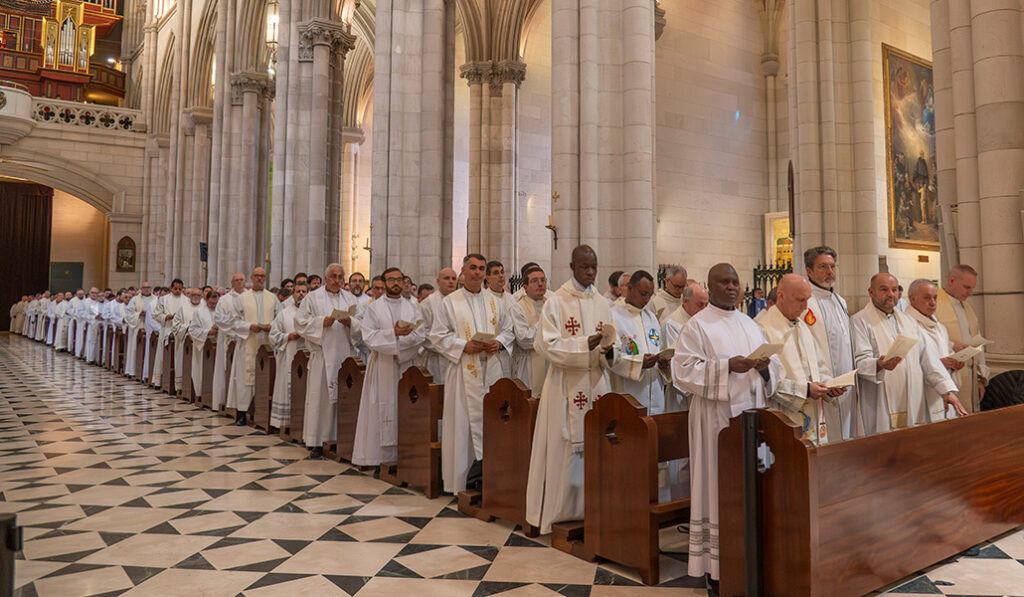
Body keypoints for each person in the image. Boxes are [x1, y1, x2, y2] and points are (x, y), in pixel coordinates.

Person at [671, 263, 782, 591]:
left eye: (735, 282)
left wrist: (763, 369)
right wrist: (726, 367)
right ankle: (716, 570)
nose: (732, 287)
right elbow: (683, 371)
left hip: (752, 418)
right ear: (710, 286)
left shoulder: (750, 324)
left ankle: (748, 558)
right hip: (715, 422)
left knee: (749, 489)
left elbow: (773, 371)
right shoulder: (696, 326)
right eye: (724, 282)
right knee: (718, 488)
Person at [525, 245, 620, 534]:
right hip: (565, 385)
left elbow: (612, 343)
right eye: (584, 267)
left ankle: (595, 506)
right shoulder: (557, 301)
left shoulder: (604, 304)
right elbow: (544, 345)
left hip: (597, 384)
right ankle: (561, 513)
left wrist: (609, 351)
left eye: (594, 266)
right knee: (564, 447)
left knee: (599, 446)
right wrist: (582, 345)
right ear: (572, 266)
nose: (590, 272)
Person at [428, 253, 514, 494]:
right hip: (463, 372)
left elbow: (508, 329)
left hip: (491, 371)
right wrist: (462, 345)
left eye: (481, 268)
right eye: (472, 268)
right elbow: (437, 335)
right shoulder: (450, 302)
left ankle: (489, 479)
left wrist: (499, 342)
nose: (477, 272)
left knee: (491, 423)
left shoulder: (495, 302)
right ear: (463, 271)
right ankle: (461, 482)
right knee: (463, 426)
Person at [850, 273, 966, 434]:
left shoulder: (909, 322)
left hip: (911, 397)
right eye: (884, 289)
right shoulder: (860, 321)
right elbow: (859, 361)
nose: (890, 294)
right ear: (871, 292)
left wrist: (947, 391)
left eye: (894, 289)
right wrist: (878, 364)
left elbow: (928, 359)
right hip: (880, 402)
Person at [757, 274, 845, 446]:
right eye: (799, 300)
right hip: (784, 417)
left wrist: (828, 386)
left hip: (814, 414)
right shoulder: (763, 330)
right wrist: (805, 390)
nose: (805, 307)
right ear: (781, 296)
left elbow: (820, 367)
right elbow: (767, 383)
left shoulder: (802, 326)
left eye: (807, 300)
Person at [353, 268, 427, 466]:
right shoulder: (374, 308)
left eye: (399, 279)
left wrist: (400, 344)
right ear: (384, 282)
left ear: (404, 282)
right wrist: (393, 335)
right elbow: (368, 336)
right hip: (382, 366)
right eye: (391, 279)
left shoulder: (412, 308)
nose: (396, 283)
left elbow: (420, 335)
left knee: (403, 408)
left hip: (406, 366)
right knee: (381, 410)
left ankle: (403, 458)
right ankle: (379, 460)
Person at [295, 263, 359, 458]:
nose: (337, 280)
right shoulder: (312, 298)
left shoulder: (350, 298)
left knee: (343, 400)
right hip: (322, 358)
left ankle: (341, 439)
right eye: (333, 276)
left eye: (340, 276)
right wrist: (322, 322)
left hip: (344, 358)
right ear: (325, 278)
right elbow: (300, 323)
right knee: (319, 400)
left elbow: (362, 324)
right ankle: (316, 442)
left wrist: (351, 323)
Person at [802, 246, 858, 439]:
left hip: (846, 387)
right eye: (823, 267)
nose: (830, 272)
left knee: (846, 437)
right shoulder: (805, 303)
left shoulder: (840, 301)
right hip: (822, 388)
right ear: (809, 271)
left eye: (832, 266)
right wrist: (826, 382)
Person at [608, 270, 670, 414]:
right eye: (643, 294)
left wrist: (663, 363)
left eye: (650, 295)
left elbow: (659, 348)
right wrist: (639, 363)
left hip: (655, 392)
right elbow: (609, 357)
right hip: (629, 391)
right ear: (629, 288)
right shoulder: (613, 316)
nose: (647, 299)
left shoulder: (651, 318)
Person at [905, 278, 964, 422]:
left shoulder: (938, 326)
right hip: (923, 391)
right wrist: (940, 364)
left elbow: (944, 351)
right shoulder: (907, 325)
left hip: (943, 388)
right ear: (912, 298)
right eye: (927, 298)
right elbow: (910, 362)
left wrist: (955, 363)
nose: (932, 303)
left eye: (935, 298)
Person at [934, 264, 989, 413]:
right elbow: (926, 338)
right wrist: (951, 345)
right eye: (967, 287)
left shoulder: (967, 307)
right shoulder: (934, 304)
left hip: (970, 376)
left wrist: (980, 378)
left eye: (972, 288)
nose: (971, 293)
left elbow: (978, 343)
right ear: (952, 281)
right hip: (949, 374)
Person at [269, 282, 307, 429]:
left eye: (304, 291)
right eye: (298, 291)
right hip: (289, 359)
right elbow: (273, 336)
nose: (301, 294)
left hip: (308, 360)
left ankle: (303, 424)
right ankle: (287, 424)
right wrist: (288, 337)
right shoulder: (284, 314)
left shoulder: (311, 314)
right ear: (293, 294)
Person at [484, 260, 526, 378]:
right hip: (490, 355)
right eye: (496, 273)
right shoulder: (484, 299)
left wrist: (502, 341)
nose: (501, 275)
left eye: (502, 272)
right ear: (488, 278)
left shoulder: (513, 299)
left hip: (510, 353)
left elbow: (515, 327)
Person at [211, 273, 245, 410]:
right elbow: (219, 319)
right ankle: (224, 401)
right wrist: (235, 329)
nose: (239, 282)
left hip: (245, 339)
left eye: (241, 280)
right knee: (226, 370)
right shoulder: (225, 300)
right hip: (228, 339)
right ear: (232, 282)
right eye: (236, 280)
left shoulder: (249, 298)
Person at [512, 265, 548, 392]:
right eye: (534, 281)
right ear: (525, 288)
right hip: (527, 367)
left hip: (550, 364)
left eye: (543, 280)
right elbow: (524, 340)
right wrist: (546, 323)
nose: (540, 284)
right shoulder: (518, 307)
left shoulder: (551, 305)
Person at [419, 268, 459, 381]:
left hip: (458, 356)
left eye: (453, 279)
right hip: (436, 358)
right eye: (446, 278)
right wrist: (446, 345)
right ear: (438, 281)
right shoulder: (427, 304)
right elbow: (423, 332)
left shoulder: (460, 301)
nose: (451, 281)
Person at [150, 279, 187, 388]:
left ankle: (178, 384)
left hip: (180, 331)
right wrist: (167, 317)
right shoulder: (163, 300)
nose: (178, 291)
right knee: (163, 356)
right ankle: (161, 381)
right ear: (171, 288)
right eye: (175, 288)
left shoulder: (186, 300)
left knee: (179, 358)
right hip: (167, 328)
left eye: (180, 289)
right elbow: (156, 314)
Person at [188, 289, 219, 401]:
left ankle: (215, 396)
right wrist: (208, 332)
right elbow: (192, 330)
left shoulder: (220, 312)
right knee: (202, 370)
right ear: (206, 300)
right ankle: (201, 394)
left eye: (216, 303)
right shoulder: (199, 312)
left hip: (218, 347)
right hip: (204, 347)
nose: (213, 305)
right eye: (211, 303)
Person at [172, 288, 202, 390]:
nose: (196, 297)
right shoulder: (183, 308)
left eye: (198, 295)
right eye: (194, 295)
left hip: (201, 343)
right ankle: (183, 388)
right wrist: (188, 327)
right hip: (185, 342)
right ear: (189, 296)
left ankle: (198, 389)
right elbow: (175, 326)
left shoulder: (204, 308)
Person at [123, 283, 155, 377]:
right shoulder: (134, 299)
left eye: (148, 287)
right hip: (138, 326)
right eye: (144, 288)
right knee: (136, 349)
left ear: (151, 288)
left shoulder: (155, 299)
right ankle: (134, 371)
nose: (146, 289)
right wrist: (139, 314)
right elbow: (129, 313)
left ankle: (147, 373)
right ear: (141, 289)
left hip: (151, 328)